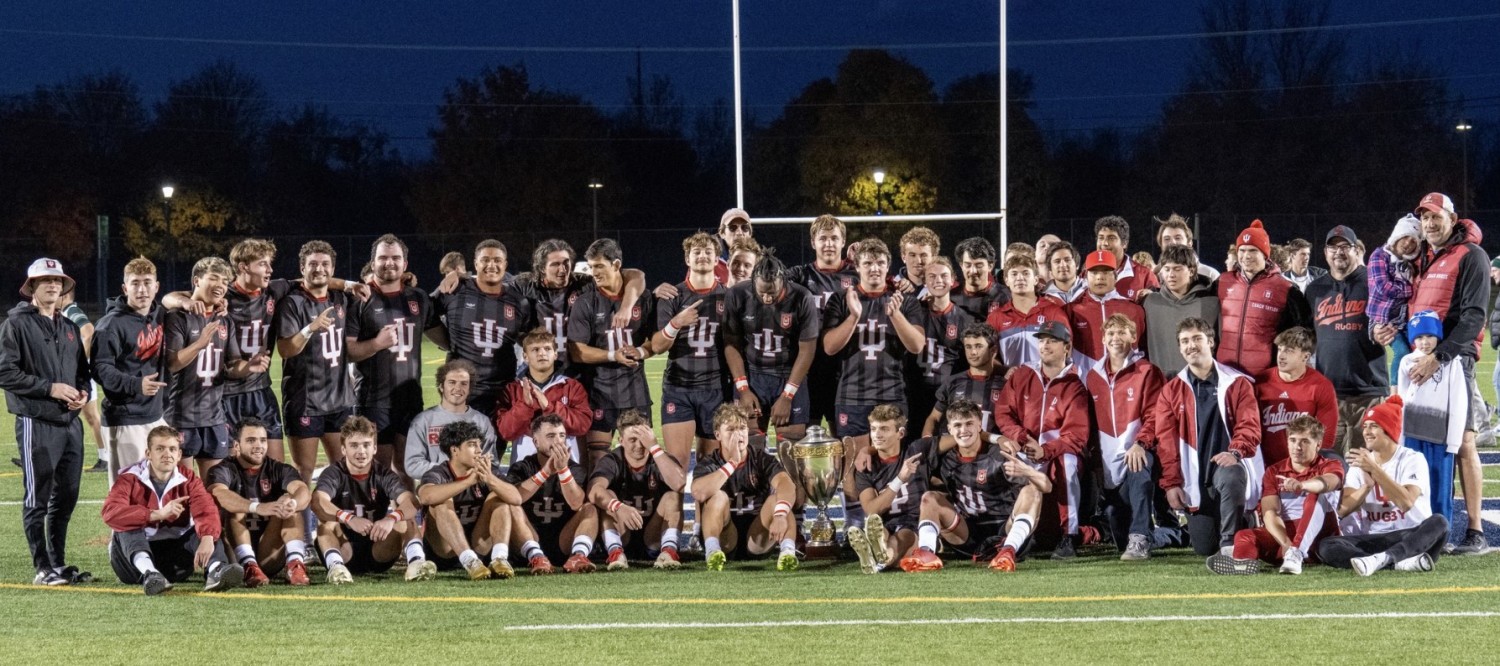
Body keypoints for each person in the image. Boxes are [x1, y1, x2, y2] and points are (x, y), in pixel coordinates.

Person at [1402, 192, 1491, 554]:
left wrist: (1439, 356)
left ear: (1452, 219)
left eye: (1436, 217)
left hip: (1453, 361)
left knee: (1464, 441)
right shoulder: (1425, 257)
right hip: (1424, 360)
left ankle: (1475, 531)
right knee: (1426, 444)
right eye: (1424, 218)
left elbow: (1473, 315)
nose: (1429, 223)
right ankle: (1434, 525)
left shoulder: (1472, 256)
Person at [821, 237, 926, 530]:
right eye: (868, 263)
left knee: (889, 462)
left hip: (891, 393)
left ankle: (893, 524)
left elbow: (917, 345)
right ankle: (856, 528)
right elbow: (829, 346)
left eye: (880, 262)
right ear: (857, 266)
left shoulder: (904, 300)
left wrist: (897, 317)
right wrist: (854, 316)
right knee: (854, 469)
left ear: (888, 265)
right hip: (852, 395)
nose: (875, 268)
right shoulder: (841, 300)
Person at [1, 259, 93, 585]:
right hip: (35, 421)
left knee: (66, 495)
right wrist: (50, 388)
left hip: (70, 423)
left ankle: (59, 563)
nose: (52, 286)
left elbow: (83, 372)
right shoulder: (16, 324)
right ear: (32, 288)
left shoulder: (67, 327)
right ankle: (42, 568)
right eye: (45, 281)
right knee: (36, 497)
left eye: (57, 281)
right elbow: (5, 372)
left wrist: (83, 392)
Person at [899, 399, 1053, 572]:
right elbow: (908, 449)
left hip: (1005, 529)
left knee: (1032, 490)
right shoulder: (942, 456)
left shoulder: (1001, 453)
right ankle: (926, 553)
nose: (963, 430)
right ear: (949, 429)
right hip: (966, 533)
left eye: (969, 424)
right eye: (957, 425)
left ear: (980, 425)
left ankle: (1008, 551)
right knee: (929, 498)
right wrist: (868, 450)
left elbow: (1046, 487)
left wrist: (1028, 472)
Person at [1154, 317, 1264, 557]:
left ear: (1211, 342)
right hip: (1195, 476)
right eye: (1185, 341)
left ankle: (1229, 544)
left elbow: (1249, 426)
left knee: (1232, 473)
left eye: (1197, 339)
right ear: (1180, 348)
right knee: (1204, 548)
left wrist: (1235, 452)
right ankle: (1239, 529)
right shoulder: (1171, 390)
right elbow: (1166, 443)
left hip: (1230, 466)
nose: (1191, 345)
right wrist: (1171, 484)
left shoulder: (1237, 383)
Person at [101, 425, 243, 594]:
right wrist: (155, 514)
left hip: (175, 562)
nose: (167, 454)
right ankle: (150, 574)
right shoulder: (129, 478)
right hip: (131, 565)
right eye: (160, 449)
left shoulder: (189, 479)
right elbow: (110, 512)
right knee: (126, 524)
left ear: (179, 455)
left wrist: (206, 537)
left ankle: (216, 570)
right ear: (148, 454)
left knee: (207, 529)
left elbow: (206, 509)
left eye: (172, 449)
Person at [991, 321, 1091, 558]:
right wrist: (1020, 438)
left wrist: (1045, 450)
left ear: (1066, 347)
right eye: (1042, 340)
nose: (1045, 346)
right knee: (1000, 456)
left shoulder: (1075, 384)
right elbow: (1003, 412)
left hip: (1056, 453)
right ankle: (1008, 534)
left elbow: (1076, 435)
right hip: (1026, 447)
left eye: (1052, 341)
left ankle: (1070, 535)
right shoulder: (1023, 374)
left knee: (1067, 462)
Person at [1316, 396, 1448, 575]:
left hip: (1412, 536)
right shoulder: (1360, 464)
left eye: (1374, 426)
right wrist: (1366, 488)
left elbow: (1406, 503)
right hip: (1375, 538)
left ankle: (1383, 559)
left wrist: (1375, 470)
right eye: (1365, 426)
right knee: (1327, 545)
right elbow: (1342, 510)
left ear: (1389, 429)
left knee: (1439, 523)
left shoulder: (1413, 459)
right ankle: (1393, 562)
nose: (1366, 432)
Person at [164, 257, 270, 477]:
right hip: (182, 417)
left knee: (215, 488)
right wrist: (199, 344)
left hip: (214, 417)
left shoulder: (224, 320)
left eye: (224, 280)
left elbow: (232, 366)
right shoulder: (177, 317)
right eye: (214, 278)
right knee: (182, 488)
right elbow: (173, 364)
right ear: (197, 280)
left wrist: (250, 366)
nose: (221, 285)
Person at [345, 234, 439, 474]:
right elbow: (348, 352)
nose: (389, 263)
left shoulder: (419, 298)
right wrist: (376, 343)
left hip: (410, 398)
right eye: (383, 258)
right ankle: (374, 513)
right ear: (373, 262)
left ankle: (406, 513)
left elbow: (443, 337)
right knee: (377, 469)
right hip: (373, 400)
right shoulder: (359, 299)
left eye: (396, 258)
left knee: (408, 467)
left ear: (405, 264)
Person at [1207, 415, 1343, 575]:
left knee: (1316, 494)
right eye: (1293, 440)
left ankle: (1297, 552)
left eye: (1304, 441)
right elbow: (1270, 512)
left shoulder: (1330, 465)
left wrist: (1302, 486)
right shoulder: (1274, 471)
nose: (1297, 447)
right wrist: (1285, 543)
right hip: (1285, 537)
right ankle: (1241, 564)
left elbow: (1329, 482)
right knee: (1245, 535)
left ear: (1318, 445)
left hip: (1320, 539)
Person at [567, 238, 658, 472]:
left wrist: (640, 351)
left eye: (599, 266)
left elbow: (655, 341)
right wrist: (612, 355)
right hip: (600, 393)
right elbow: (576, 351)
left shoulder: (643, 298)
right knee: (597, 461)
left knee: (640, 457)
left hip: (635, 393)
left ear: (616, 265)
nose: (593, 272)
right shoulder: (586, 301)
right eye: (591, 266)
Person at [275, 241, 357, 497]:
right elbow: (285, 349)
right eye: (312, 264)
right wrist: (310, 329)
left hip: (340, 399)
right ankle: (302, 535)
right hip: (305, 401)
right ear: (302, 268)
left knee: (344, 470)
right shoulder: (292, 303)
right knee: (304, 472)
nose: (319, 269)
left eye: (325, 264)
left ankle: (339, 530)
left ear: (333, 268)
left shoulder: (341, 298)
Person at [651, 232, 731, 484]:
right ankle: (674, 525)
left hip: (714, 388)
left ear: (717, 257)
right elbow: (657, 346)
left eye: (708, 251)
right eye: (697, 252)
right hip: (679, 387)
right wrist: (676, 323)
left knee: (709, 464)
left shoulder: (728, 296)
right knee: (677, 465)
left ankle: (702, 525)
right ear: (687, 258)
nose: (703, 255)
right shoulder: (673, 295)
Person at [1083, 314, 1165, 561]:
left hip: (1139, 454)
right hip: (1109, 469)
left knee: (1138, 464)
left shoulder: (1147, 371)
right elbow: (1092, 427)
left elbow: (1156, 415)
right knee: (1118, 531)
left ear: (1133, 337)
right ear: (1103, 339)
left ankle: (1140, 538)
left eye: (1121, 333)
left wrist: (1141, 444)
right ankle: (1171, 535)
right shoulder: (1092, 376)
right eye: (1110, 333)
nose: (1115, 338)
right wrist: (1096, 464)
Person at [312, 416, 431, 583]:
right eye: (354, 445)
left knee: (404, 517)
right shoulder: (334, 473)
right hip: (344, 548)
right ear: (344, 449)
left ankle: (417, 563)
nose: (361, 452)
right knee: (325, 521)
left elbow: (411, 501)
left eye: (366, 445)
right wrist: (349, 518)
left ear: (375, 448)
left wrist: (391, 518)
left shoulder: (383, 473)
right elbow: (318, 502)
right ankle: (336, 567)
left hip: (378, 548)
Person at [429, 239, 537, 422]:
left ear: (505, 265)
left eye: (497, 260)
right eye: (485, 260)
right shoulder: (454, 291)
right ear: (476, 263)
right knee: (459, 446)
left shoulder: (519, 302)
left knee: (495, 446)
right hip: (462, 388)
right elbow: (425, 317)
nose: (491, 265)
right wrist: (448, 342)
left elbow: (524, 335)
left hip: (501, 389)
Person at [1306, 226, 1390, 455]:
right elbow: (1307, 336)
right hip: (1330, 393)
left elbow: (1395, 323)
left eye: (1345, 247)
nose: (1338, 252)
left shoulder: (1374, 285)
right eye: (1333, 247)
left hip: (1369, 392)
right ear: (1325, 252)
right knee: (1331, 464)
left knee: (1368, 467)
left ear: (1357, 250)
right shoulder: (1314, 289)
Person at [513, 239, 645, 380]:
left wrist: (626, 308)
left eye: (566, 262)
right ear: (541, 268)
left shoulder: (583, 284)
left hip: (577, 373)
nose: (563, 269)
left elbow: (636, 275)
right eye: (555, 264)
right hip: (540, 370)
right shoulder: (525, 286)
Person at [722, 253, 819, 443]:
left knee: (791, 448)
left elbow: (807, 350)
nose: (766, 298)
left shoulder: (801, 297)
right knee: (750, 447)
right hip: (752, 375)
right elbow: (731, 344)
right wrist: (743, 389)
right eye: (762, 293)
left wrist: (788, 395)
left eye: (772, 293)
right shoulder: (737, 294)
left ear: (783, 282)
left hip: (788, 375)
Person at [691, 403, 799, 571]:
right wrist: (732, 463)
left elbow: (787, 485)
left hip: (757, 536)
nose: (738, 435)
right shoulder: (710, 462)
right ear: (718, 435)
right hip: (725, 535)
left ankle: (787, 553)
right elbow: (699, 492)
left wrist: (779, 515)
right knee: (718, 497)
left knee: (778, 500)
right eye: (731, 430)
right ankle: (712, 552)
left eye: (742, 428)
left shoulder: (760, 458)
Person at [207, 418, 312, 587]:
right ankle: (248, 565)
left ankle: (295, 564)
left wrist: (292, 503)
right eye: (250, 440)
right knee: (235, 504)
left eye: (262, 440)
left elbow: (303, 491)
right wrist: (256, 507)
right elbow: (218, 493)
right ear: (236, 446)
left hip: (268, 551)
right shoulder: (223, 469)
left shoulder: (278, 469)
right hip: (234, 554)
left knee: (289, 502)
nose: (258, 446)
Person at [91, 257, 168, 483]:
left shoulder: (159, 315)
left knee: (159, 490)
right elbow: (99, 368)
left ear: (157, 286)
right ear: (125, 288)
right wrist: (135, 384)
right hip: (125, 419)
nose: (142, 289)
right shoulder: (110, 324)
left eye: (147, 282)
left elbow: (181, 299)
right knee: (128, 494)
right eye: (135, 283)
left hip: (156, 415)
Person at [418, 420, 524, 580]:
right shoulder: (439, 473)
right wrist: (468, 481)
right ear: (455, 450)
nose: (479, 451)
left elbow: (516, 498)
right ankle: (468, 560)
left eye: (479, 445)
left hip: (479, 547)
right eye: (472, 445)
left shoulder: (486, 470)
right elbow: (426, 496)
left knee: (499, 498)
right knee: (441, 502)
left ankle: (499, 558)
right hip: (445, 552)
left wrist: (489, 479)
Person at [586, 409, 687, 570]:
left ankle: (668, 552)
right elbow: (594, 491)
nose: (639, 445)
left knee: (673, 496)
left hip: (653, 537)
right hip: (622, 532)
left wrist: (654, 447)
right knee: (607, 496)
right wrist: (618, 507)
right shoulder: (612, 460)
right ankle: (615, 552)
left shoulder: (661, 458)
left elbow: (680, 484)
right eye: (632, 439)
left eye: (643, 439)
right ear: (621, 440)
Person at [784, 214, 856, 431]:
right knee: (805, 434)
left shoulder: (857, 274)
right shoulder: (800, 275)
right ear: (813, 242)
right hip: (809, 366)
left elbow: (884, 283)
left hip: (844, 367)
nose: (829, 244)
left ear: (843, 241)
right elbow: (768, 281)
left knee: (843, 435)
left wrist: (901, 283)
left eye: (834, 238)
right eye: (823, 238)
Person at [504, 414, 599, 573]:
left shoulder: (574, 469)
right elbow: (516, 497)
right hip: (529, 537)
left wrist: (563, 471)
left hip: (563, 539)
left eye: (562, 435)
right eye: (551, 436)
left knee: (590, 509)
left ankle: (578, 555)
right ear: (536, 441)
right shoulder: (522, 467)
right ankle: (536, 557)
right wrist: (545, 472)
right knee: (511, 506)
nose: (558, 441)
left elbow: (576, 503)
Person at [1216, 219, 1312, 377]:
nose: (1246, 256)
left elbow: (1304, 332)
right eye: (1242, 250)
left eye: (1253, 250)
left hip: (1265, 377)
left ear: (1265, 254)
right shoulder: (1222, 282)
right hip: (1226, 376)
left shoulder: (1286, 289)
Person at [1397, 311, 1465, 527]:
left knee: (1439, 485)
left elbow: (1458, 402)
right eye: (1418, 337)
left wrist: (1453, 441)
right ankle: (1414, 529)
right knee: (1412, 482)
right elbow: (1401, 400)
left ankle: (1442, 532)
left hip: (1440, 436)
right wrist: (1399, 438)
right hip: (1412, 435)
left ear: (1439, 336)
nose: (1424, 342)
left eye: (1429, 336)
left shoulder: (1451, 362)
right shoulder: (1406, 361)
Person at [494, 328, 591, 463]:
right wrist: (524, 406)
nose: (542, 353)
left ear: (556, 354)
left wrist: (549, 406)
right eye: (535, 349)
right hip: (525, 466)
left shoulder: (572, 386)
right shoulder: (512, 389)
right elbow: (506, 432)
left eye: (547, 349)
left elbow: (582, 426)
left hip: (565, 465)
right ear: (525, 356)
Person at [904, 257, 973, 443]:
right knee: (913, 444)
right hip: (915, 392)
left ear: (953, 280)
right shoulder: (914, 311)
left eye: (944, 276)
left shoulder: (964, 319)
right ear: (925, 281)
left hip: (946, 394)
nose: (938, 280)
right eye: (932, 276)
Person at [850, 404, 924, 573]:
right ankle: (881, 553)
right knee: (878, 529)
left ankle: (878, 556)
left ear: (900, 433)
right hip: (885, 521)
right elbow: (871, 509)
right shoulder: (866, 466)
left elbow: (954, 439)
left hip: (912, 521)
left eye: (884, 429)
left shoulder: (917, 451)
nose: (877, 434)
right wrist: (899, 480)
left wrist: (995, 438)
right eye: (873, 429)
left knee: (903, 537)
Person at [404, 360, 502, 481]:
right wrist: (451, 471)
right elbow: (413, 465)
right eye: (452, 382)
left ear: (470, 388)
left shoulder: (482, 421)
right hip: (439, 487)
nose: (458, 388)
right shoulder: (423, 420)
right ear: (441, 386)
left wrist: (472, 474)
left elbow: (491, 463)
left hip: (473, 487)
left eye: (464, 384)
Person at [1252, 327, 1338, 466]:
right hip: (1262, 464)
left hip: (1302, 467)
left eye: (1289, 351)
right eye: (1280, 349)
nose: (1281, 355)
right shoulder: (1261, 381)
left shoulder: (1321, 386)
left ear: (1305, 356)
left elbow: (1326, 437)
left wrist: (1304, 469)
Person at [1142, 245, 1220, 378]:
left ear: (1191, 270)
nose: (1171, 275)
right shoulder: (1149, 302)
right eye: (1166, 269)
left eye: (1177, 269)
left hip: (1200, 383)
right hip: (1159, 383)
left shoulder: (1211, 304)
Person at [1066, 250, 1147, 374]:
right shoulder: (1072, 310)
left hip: (1126, 383)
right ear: (1085, 276)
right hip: (1085, 384)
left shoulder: (1134, 310)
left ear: (1116, 276)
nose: (1100, 277)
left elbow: (1142, 349)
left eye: (1106, 271)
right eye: (1094, 272)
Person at [986, 254, 1069, 369]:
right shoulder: (996, 318)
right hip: (1011, 385)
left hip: (1047, 384)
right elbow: (987, 356)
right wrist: (1005, 371)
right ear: (1006, 281)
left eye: (1026, 273)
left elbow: (1067, 352)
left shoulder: (1054, 313)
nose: (1020, 278)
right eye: (1014, 274)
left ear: (1036, 279)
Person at [924, 323, 1005, 436]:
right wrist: (927, 441)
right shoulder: (952, 382)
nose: (973, 352)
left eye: (979, 346)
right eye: (968, 347)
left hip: (991, 451)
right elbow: (934, 418)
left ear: (993, 350)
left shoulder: (1005, 386)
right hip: (954, 451)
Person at [57, 290, 106, 474]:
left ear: (65, 296)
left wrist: (79, 361)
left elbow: (89, 332)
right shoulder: (63, 313)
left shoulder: (70, 310)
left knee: (82, 416)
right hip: (80, 374)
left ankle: (105, 458)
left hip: (79, 375)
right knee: (91, 416)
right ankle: (104, 457)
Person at [1367, 215, 1419, 383]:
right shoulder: (1379, 256)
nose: (1408, 244)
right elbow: (1383, 286)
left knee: (1416, 352)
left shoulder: (1409, 262)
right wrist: (1409, 289)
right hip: (1384, 319)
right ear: (1397, 235)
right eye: (1405, 237)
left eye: (1413, 241)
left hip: (1403, 318)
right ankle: (1395, 392)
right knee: (1402, 352)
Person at [1093, 215, 1160, 301]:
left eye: (1111, 238)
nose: (1105, 243)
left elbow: (1157, 306)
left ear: (1124, 243)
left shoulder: (1144, 275)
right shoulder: (1086, 275)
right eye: (1101, 238)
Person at [951, 237, 1012, 320]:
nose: (973, 271)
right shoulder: (951, 298)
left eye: (979, 265)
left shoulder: (1005, 296)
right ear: (961, 265)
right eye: (968, 265)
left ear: (990, 266)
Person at [1154, 213, 1220, 280]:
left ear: (1189, 243)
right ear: (1161, 244)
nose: (1172, 242)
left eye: (1178, 238)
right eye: (1167, 239)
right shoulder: (1155, 277)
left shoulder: (1210, 275)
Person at [895, 226, 940, 293]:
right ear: (903, 257)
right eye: (912, 255)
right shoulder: (892, 286)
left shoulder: (945, 288)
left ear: (934, 257)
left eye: (923, 255)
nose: (918, 261)